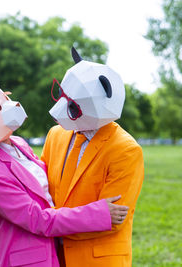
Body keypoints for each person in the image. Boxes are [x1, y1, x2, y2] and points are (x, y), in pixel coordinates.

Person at [0, 77, 129, 267]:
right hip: (24, 259)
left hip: (49, 251)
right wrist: (96, 214)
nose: (13, 106)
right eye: (0, 108)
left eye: (6, 100)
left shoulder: (18, 143)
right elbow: (37, 218)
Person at [41, 47, 144, 266]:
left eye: (72, 107)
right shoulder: (55, 135)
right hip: (52, 256)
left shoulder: (126, 150)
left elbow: (115, 219)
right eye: (61, 94)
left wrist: (49, 223)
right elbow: (42, 193)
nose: (57, 111)